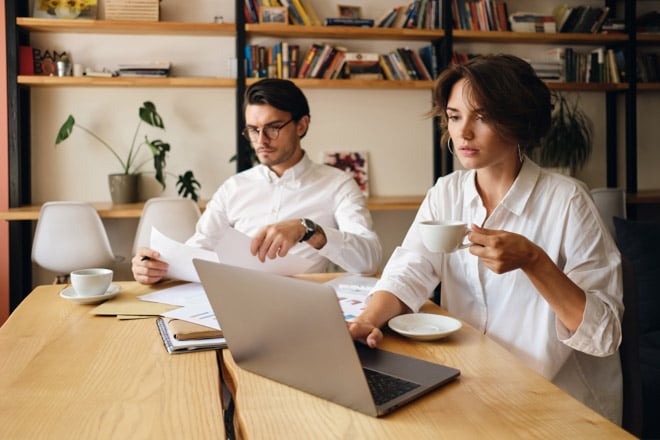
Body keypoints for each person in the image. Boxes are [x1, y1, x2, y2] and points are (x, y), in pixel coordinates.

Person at [348, 54, 624, 424]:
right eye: (455, 115)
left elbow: (604, 333)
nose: (462, 133)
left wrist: (533, 261)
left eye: (482, 117)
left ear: (517, 120)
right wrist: (367, 321)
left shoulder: (568, 201)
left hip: (558, 406)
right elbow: (410, 270)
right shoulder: (446, 192)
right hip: (471, 389)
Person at [132, 78, 382, 283]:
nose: (261, 141)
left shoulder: (337, 185)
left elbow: (369, 261)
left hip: (303, 304)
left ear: (301, 125)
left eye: (273, 127)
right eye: (253, 129)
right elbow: (197, 251)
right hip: (239, 299)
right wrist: (155, 267)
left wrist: (309, 231)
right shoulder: (234, 188)